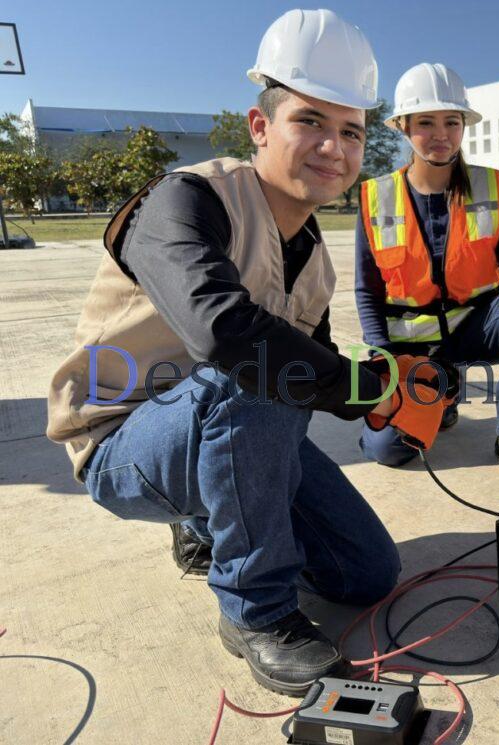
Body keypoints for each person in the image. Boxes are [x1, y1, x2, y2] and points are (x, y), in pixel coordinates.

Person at [46, 9, 448, 696]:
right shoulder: (187, 202)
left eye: (350, 131)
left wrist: (382, 385)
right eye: (309, 121)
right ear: (260, 127)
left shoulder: (314, 259)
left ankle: (209, 518)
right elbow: (226, 334)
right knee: (257, 367)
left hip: (218, 420)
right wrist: (358, 388)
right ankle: (255, 610)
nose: (333, 146)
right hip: (121, 443)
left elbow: (319, 377)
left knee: (367, 572)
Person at [355, 62, 499, 478]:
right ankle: (441, 391)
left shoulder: (491, 184)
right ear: (402, 127)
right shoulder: (375, 197)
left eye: (452, 121)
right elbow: (367, 289)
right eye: (426, 122)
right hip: (411, 345)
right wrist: (385, 359)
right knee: (391, 450)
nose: (441, 134)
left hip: (474, 325)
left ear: (463, 125)